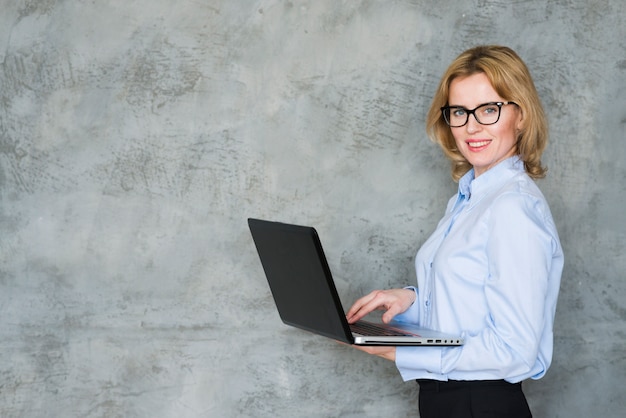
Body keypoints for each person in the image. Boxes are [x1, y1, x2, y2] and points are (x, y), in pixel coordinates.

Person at [346, 45, 564, 418]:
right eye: (459, 112)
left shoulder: (512, 207)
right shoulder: (469, 197)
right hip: (450, 402)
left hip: (482, 405)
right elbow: (471, 306)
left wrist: (402, 351)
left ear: (522, 115)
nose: (472, 126)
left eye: (489, 109)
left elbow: (514, 351)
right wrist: (411, 300)